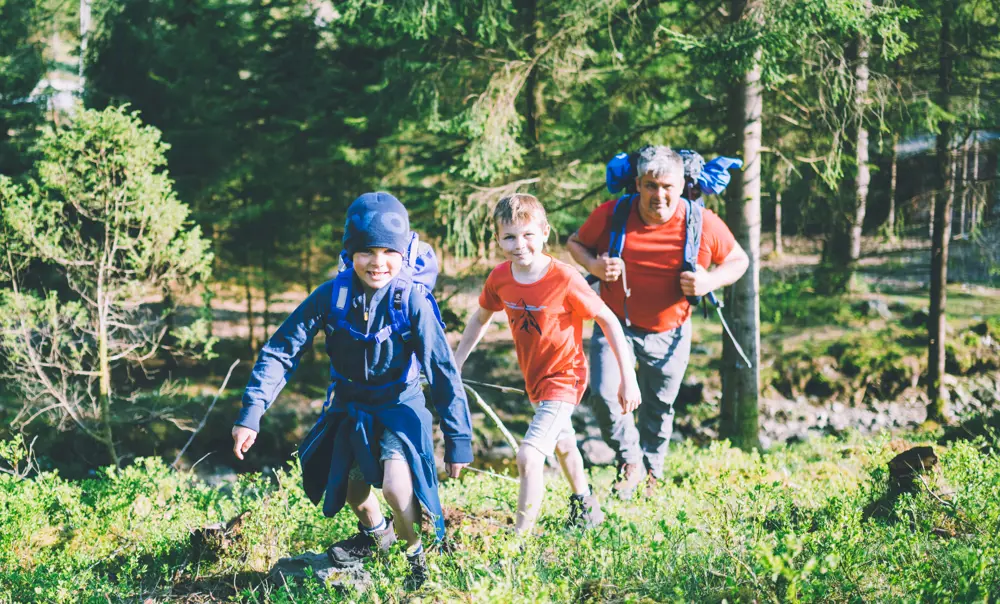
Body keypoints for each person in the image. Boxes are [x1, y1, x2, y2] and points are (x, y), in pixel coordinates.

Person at [231, 192, 473, 589]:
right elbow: (281, 351)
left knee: (396, 486)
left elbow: (442, 370)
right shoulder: (332, 295)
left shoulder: (412, 300)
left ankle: (416, 561)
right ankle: (378, 535)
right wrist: (251, 412)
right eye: (366, 251)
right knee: (350, 489)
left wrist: (458, 438)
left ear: (404, 251)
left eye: (388, 251)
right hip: (350, 407)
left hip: (399, 406)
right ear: (349, 253)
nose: (378, 262)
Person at [567, 145, 750, 499]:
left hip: (672, 331)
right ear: (638, 183)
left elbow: (738, 260)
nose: (659, 195)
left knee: (659, 404)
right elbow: (576, 243)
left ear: (682, 185)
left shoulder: (702, 223)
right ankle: (630, 460)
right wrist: (593, 266)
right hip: (615, 323)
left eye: (667, 186)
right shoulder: (613, 215)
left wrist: (709, 281)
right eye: (651, 185)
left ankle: (652, 472)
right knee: (605, 396)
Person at [454, 193, 641, 533]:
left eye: (527, 235)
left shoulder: (564, 278)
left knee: (529, 456)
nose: (519, 244)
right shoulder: (500, 278)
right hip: (535, 380)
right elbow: (480, 318)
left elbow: (609, 320)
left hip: (565, 377)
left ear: (544, 233)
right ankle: (585, 505)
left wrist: (628, 377)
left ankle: (519, 543)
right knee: (565, 443)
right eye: (509, 237)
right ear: (497, 239)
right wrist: (456, 362)